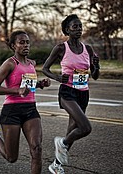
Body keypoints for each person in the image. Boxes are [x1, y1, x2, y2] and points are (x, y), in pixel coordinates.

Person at [0, 30, 51, 174]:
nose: (26, 45)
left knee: (37, 149)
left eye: (27, 42)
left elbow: (28, 85)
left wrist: (40, 84)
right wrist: (17, 91)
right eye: (21, 42)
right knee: (11, 157)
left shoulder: (31, 63)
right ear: (14, 46)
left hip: (30, 110)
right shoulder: (9, 63)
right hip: (12, 112)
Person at [42, 14, 100, 174]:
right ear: (67, 30)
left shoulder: (87, 49)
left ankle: (56, 164)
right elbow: (45, 69)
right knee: (85, 127)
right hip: (68, 92)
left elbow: (94, 75)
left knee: (73, 130)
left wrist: (96, 66)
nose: (79, 29)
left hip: (83, 93)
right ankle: (62, 142)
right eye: (75, 27)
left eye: (80, 26)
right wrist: (58, 77)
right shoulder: (61, 48)